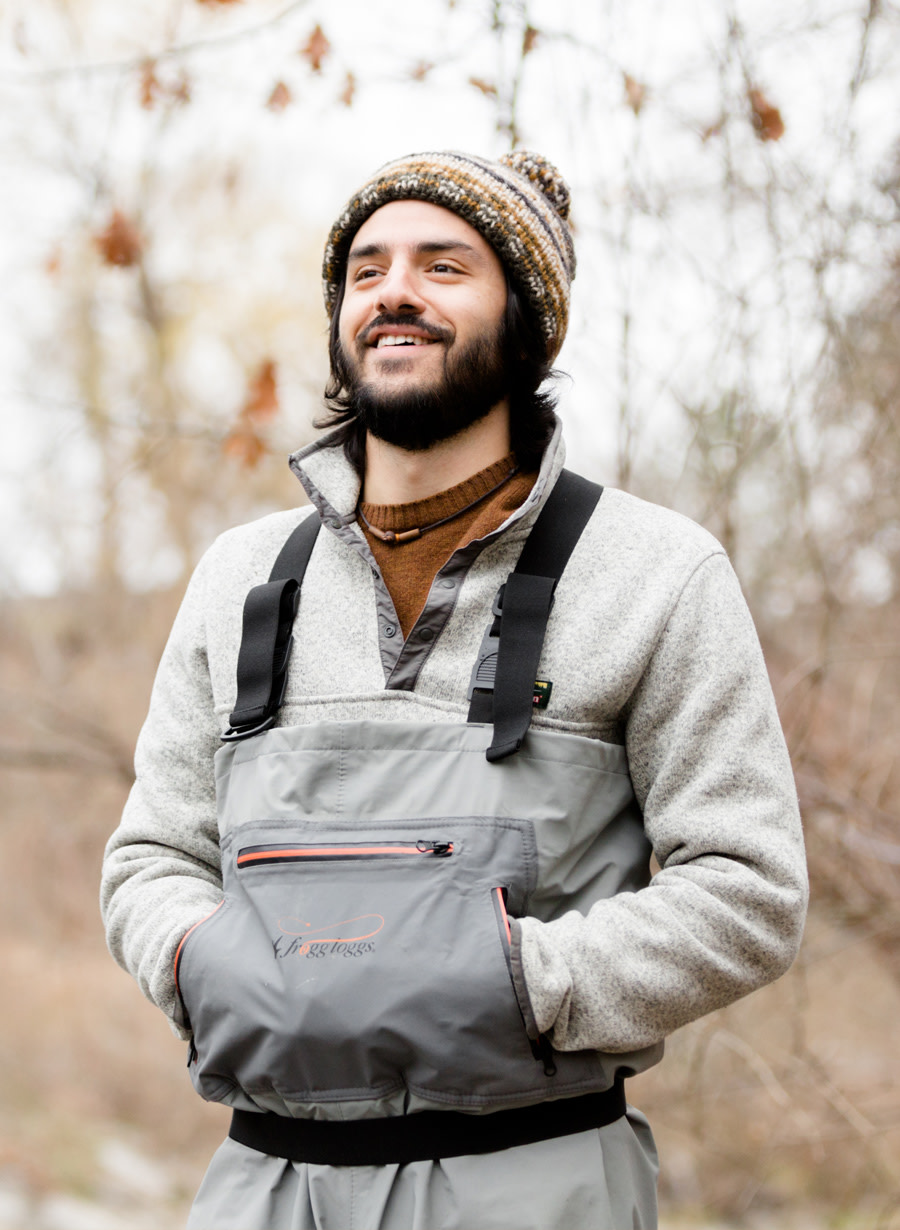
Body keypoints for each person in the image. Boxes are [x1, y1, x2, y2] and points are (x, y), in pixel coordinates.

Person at [101, 150, 808, 1230]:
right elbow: (152, 857)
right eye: (368, 268)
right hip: (262, 1189)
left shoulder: (657, 573)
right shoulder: (240, 579)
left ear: (525, 322)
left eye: (444, 266)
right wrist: (198, 961)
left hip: (538, 1183)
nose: (395, 291)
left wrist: (525, 980)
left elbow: (749, 889)